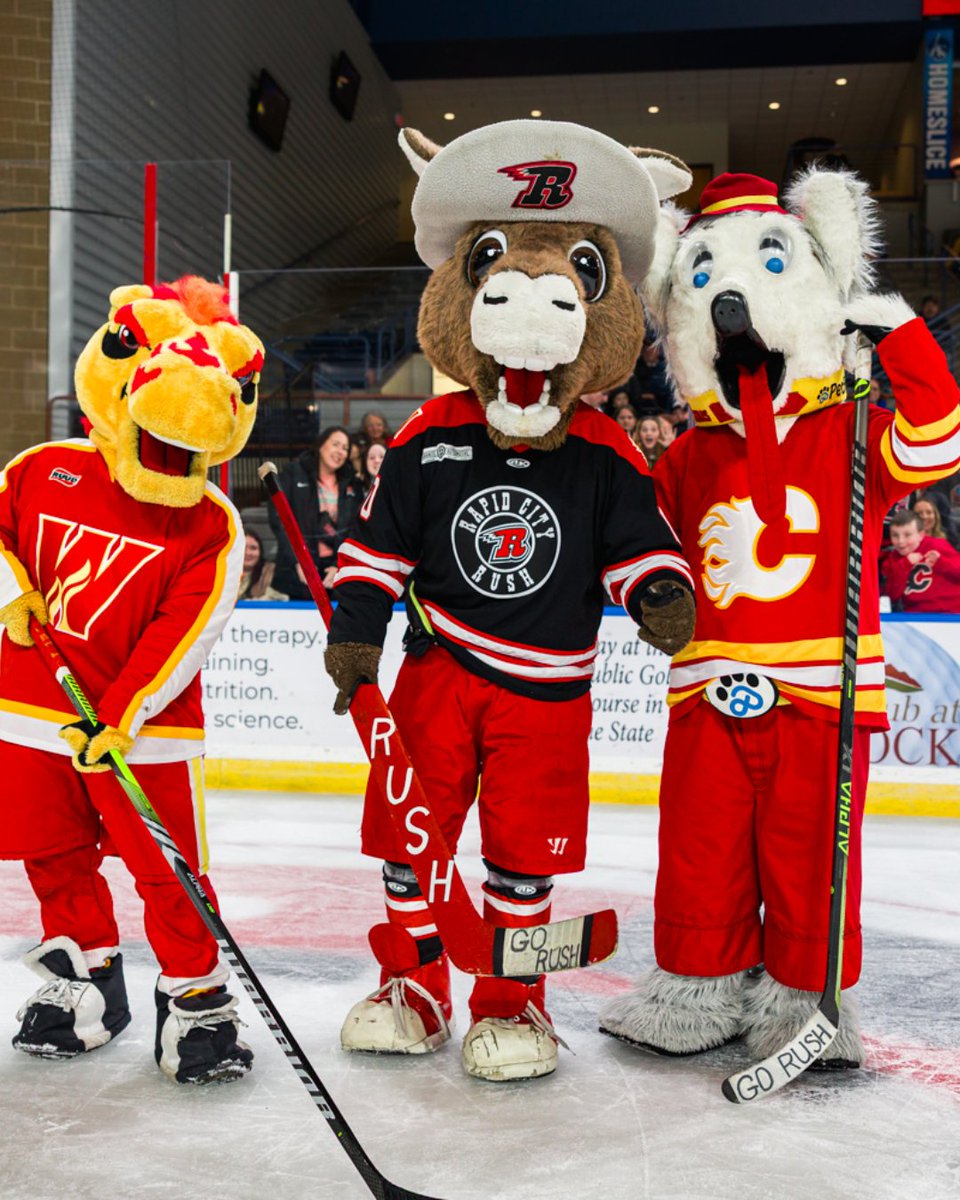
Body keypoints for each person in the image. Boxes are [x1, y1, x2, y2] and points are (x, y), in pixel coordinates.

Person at [0, 276, 263, 1083]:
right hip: (31, 710)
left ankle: (194, 999)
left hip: (143, 731)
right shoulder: (43, 468)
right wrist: (9, 590)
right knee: (54, 856)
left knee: (167, 869)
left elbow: (181, 635)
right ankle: (87, 978)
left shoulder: (211, 522)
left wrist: (121, 714)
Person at [269, 426, 363, 598]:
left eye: (345, 448)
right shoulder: (293, 472)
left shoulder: (352, 483)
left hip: (335, 575)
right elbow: (279, 518)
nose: (340, 451)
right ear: (320, 445)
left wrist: (339, 565)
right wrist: (299, 560)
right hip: (297, 572)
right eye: (335, 444)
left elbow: (355, 529)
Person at [880, 509, 960, 613]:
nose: (900, 541)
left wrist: (941, 562)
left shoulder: (938, 545)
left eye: (907, 535)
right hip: (915, 616)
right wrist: (905, 564)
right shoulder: (892, 559)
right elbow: (892, 595)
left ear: (921, 535)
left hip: (952, 613)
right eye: (895, 535)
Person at [237, 530, 288, 601]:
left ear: (260, 552)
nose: (248, 553)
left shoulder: (271, 574)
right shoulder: (223, 574)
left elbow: (284, 599)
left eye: (253, 548)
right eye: (243, 548)